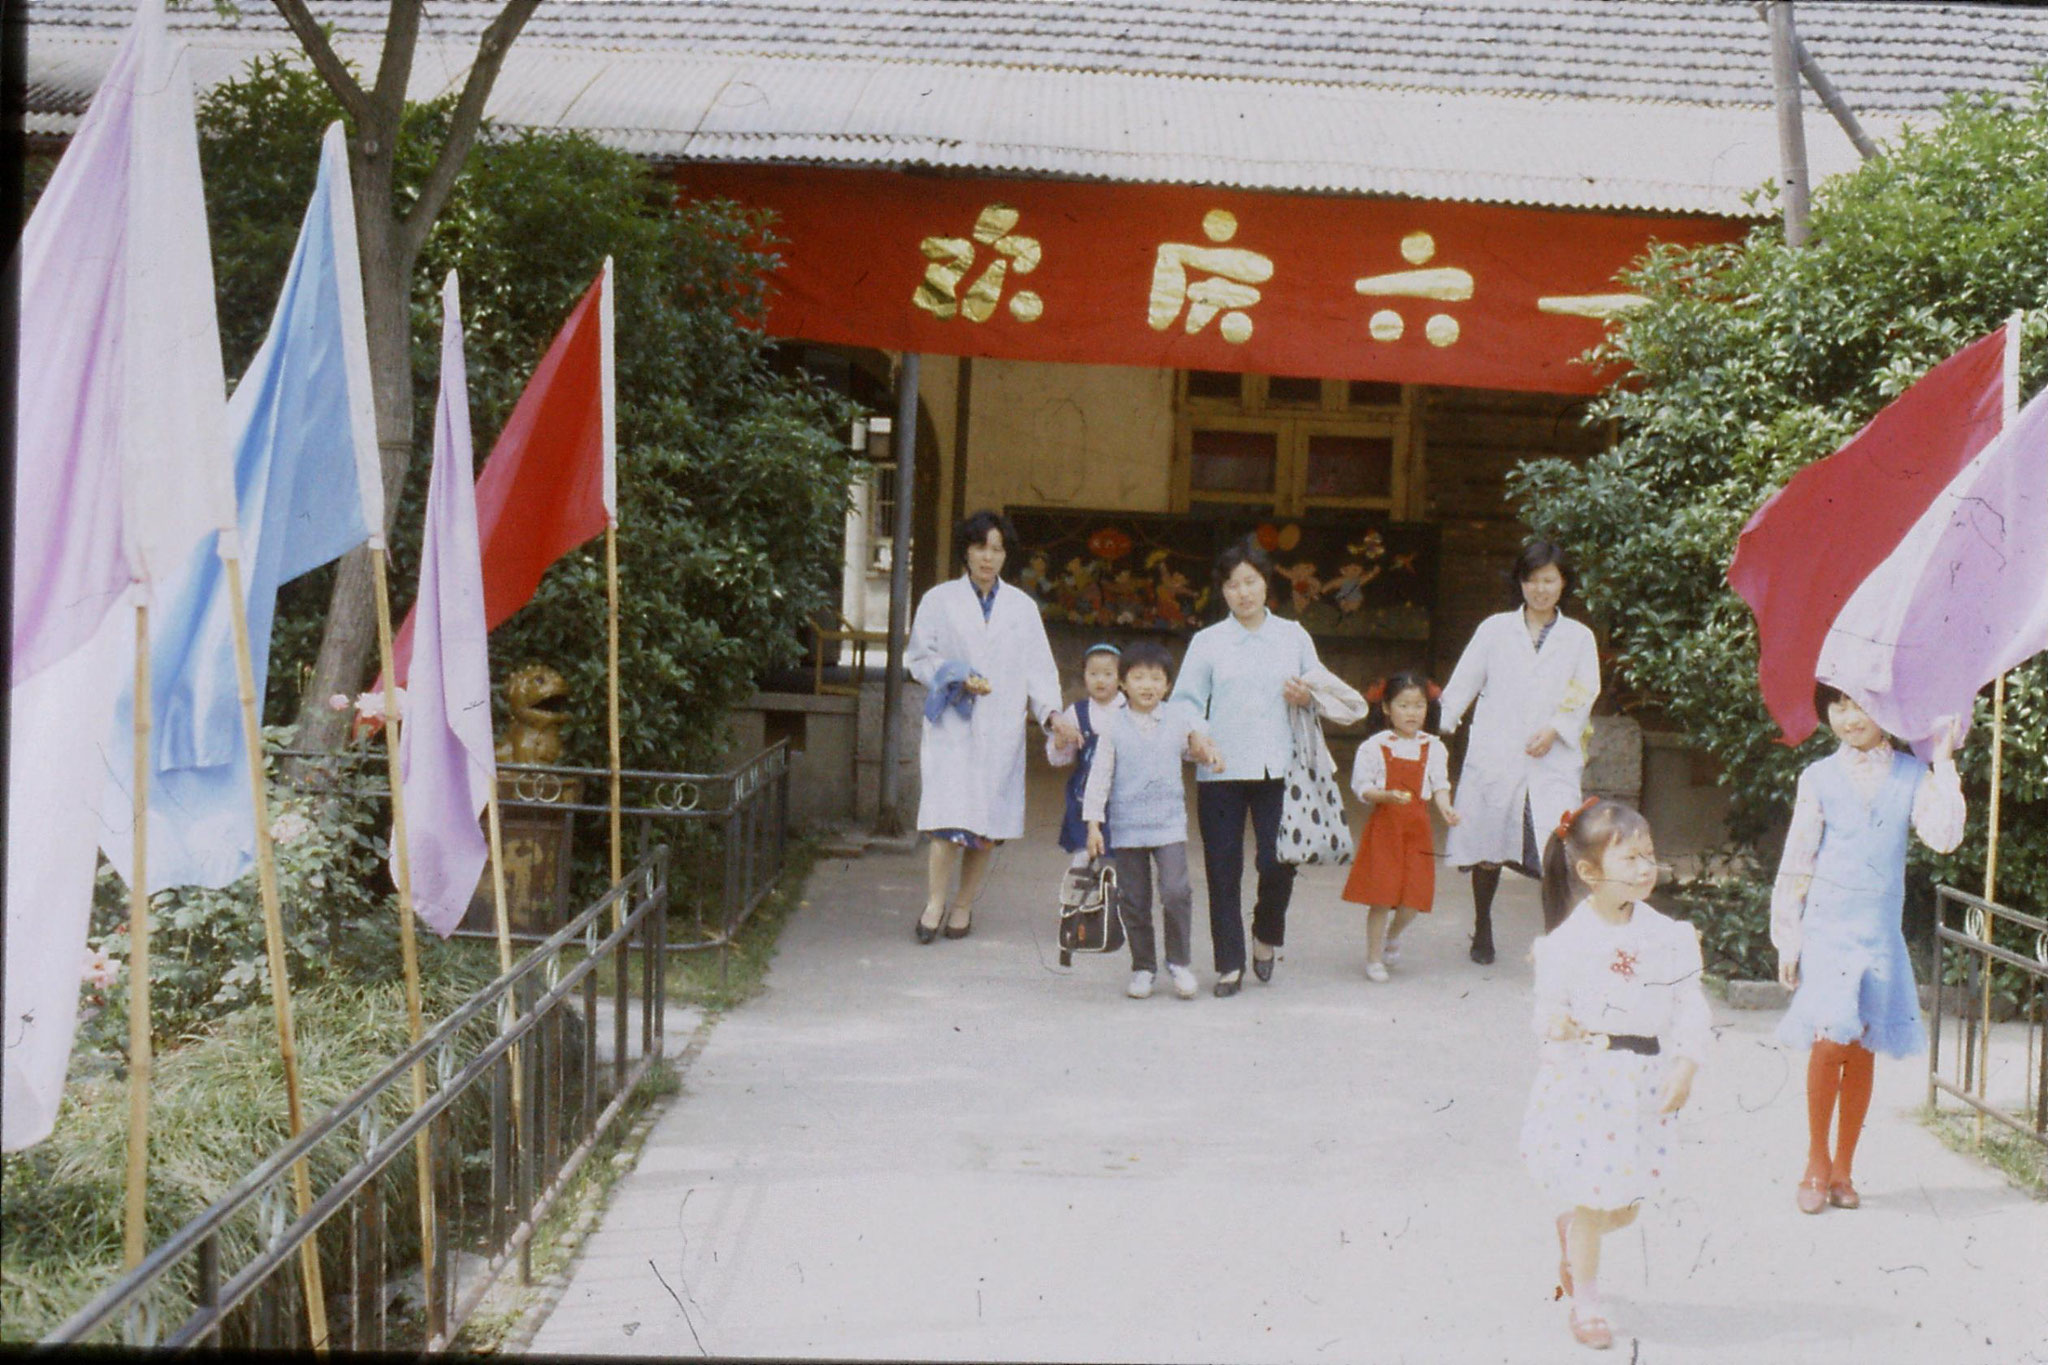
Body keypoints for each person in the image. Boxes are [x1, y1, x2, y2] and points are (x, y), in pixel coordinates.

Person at [1519, 798, 1709, 1351]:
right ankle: (1587, 1301)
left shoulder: (1669, 935)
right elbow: (1546, 1010)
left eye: (1649, 855)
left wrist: (1688, 1061)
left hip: (1643, 1080)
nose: (1646, 868)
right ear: (1589, 872)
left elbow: (1690, 1002)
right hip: (1589, 1082)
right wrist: (1556, 1027)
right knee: (1591, 1195)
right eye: (1630, 859)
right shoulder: (1565, 944)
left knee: (1621, 1207)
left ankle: (1576, 1233)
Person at [1771, 683, 1964, 1214]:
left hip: (1878, 928)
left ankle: (1843, 1168)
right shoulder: (1818, 778)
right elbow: (1798, 859)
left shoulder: (1910, 776)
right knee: (1829, 1039)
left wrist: (1943, 764)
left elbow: (1944, 836)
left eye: (1862, 704)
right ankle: (1814, 1159)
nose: (1850, 717)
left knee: (1860, 1043)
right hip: (1828, 927)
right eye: (1838, 705)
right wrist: (1789, 936)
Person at [905, 509, 1080, 943]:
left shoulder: (1021, 608)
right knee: (947, 822)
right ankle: (934, 903)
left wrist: (1052, 715)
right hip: (952, 723)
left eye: (997, 549)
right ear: (966, 551)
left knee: (985, 828)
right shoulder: (939, 599)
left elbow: (1040, 670)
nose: (988, 557)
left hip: (1000, 727)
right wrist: (953, 673)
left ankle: (963, 905)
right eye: (981, 547)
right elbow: (918, 658)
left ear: (1006, 556)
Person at [1171, 538, 1323, 997]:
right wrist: (1196, 733)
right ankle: (1229, 963)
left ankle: (1266, 933)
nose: (1243, 593)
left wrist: (1306, 696)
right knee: (1222, 867)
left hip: (1280, 768)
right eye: (1233, 585)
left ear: (1265, 583)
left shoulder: (1293, 636)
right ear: (1223, 591)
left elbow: (1321, 689)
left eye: (1251, 582)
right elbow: (1185, 702)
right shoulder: (1207, 642)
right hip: (1221, 769)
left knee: (1279, 862)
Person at [1439, 541, 1601, 965]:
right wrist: (1443, 725)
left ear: (1563, 583)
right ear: (1520, 583)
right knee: (1488, 841)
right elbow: (1466, 678)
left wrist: (1556, 729)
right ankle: (1482, 925)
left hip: (1551, 755)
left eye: (1549, 580)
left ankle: (1558, 937)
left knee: (1556, 848)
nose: (1540, 589)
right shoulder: (1495, 628)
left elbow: (1585, 691)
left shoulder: (1578, 637)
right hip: (1498, 749)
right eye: (1531, 580)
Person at [1081, 641, 1225, 1000]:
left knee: (1177, 892)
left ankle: (1178, 963)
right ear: (1123, 684)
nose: (1147, 685)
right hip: (1128, 825)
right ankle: (1143, 967)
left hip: (1169, 823)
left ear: (1168, 685)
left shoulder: (1178, 719)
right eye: (1139, 677)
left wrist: (1209, 755)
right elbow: (1100, 775)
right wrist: (1094, 825)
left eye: (1156, 678)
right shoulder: (1114, 725)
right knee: (1134, 899)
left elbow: (1194, 749)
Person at [1340, 671, 1460, 981]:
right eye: (1403, 705)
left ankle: (1394, 934)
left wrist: (1446, 807)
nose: (1412, 713)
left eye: (1418, 705)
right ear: (1386, 709)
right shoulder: (1374, 747)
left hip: (1417, 830)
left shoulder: (1433, 747)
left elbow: (1440, 784)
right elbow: (1362, 787)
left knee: (1413, 900)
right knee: (1381, 896)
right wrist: (1384, 795)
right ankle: (1374, 957)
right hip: (1385, 828)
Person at [1046, 642, 1128, 867]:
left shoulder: (1129, 710)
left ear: (1121, 678)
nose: (1100, 680)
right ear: (1084, 676)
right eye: (1093, 674)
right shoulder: (1076, 712)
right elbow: (1059, 757)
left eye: (1108, 674)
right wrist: (1061, 742)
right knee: (1084, 853)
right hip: (1083, 795)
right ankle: (1077, 895)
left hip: (1120, 797)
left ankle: (1112, 898)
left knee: (1114, 857)